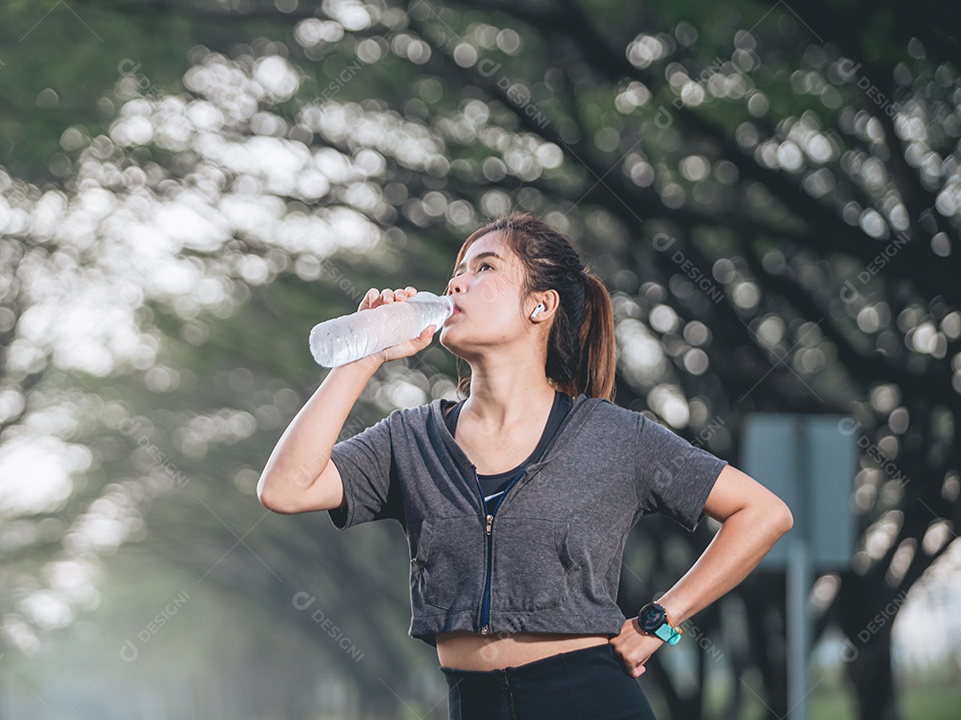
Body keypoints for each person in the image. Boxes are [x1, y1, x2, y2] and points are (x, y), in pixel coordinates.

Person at [258, 213, 793, 720]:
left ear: (540, 307)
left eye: (484, 267)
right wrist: (363, 356)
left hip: (591, 699)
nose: (457, 285)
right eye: (456, 273)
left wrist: (661, 620)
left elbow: (762, 513)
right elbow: (285, 489)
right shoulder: (410, 438)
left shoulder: (612, 435)